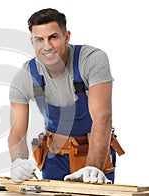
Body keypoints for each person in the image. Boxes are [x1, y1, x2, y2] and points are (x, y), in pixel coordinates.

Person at [8, 8, 124, 183]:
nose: (46, 46)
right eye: (39, 39)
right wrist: (18, 162)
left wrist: (93, 167)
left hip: (95, 150)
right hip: (54, 156)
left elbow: (103, 119)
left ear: (66, 37)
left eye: (53, 37)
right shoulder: (25, 77)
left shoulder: (91, 60)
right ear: (32, 42)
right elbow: (17, 133)